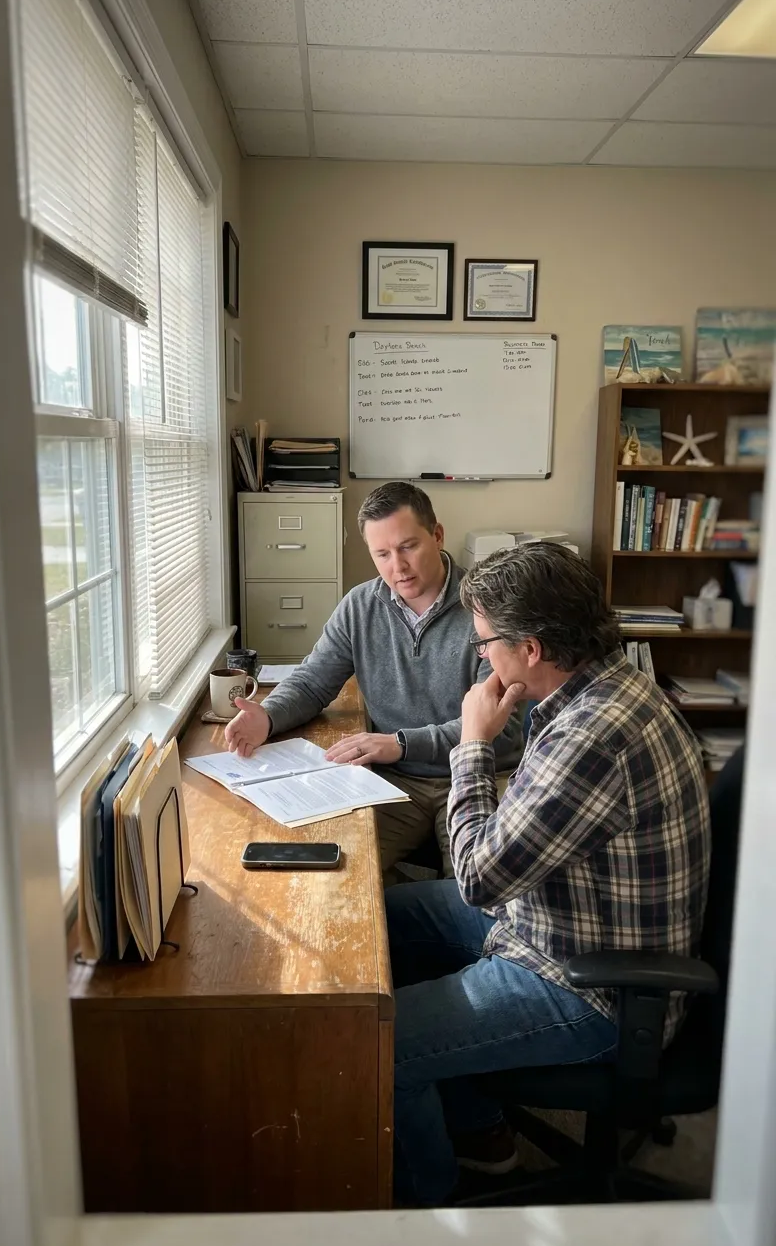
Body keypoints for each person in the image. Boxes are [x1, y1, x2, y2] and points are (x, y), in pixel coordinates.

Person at [386, 541, 711, 1207]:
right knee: (388, 922)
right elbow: (519, 842)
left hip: (592, 984)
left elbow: (479, 877)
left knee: (380, 1045)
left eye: (484, 644)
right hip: (556, 915)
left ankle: (427, 1213)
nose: (481, 658)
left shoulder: (593, 734)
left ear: (530, 649)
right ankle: (481, 1132)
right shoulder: (599, 684)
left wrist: (471, 744)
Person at [224, 481, 522, 878]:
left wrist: (399, 744)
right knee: (334, 869)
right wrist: (268, 715)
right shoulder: (361, 606)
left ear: (437, 535)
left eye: (407, 547)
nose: (397, 567)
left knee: (476, 894)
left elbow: (497, 728)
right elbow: (314, 682)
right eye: (381, 554)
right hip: (396, 782)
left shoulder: (486, 611)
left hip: (480, 775)